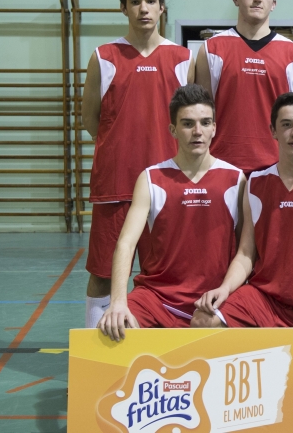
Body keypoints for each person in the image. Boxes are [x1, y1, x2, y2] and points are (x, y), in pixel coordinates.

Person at [81, 0, 194, 328]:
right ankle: (95, 350)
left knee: (168, 275)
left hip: (167, 188)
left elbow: (192, 122)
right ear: (123, 8)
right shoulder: (103, 57)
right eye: (135, 2)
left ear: (161, 7)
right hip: (116, 186)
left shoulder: (183, 59)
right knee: (103, 274)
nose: (143, 8)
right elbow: (91, 120)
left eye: (150, 1)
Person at [190, 93, 293, 328]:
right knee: (203, 321)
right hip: (263, 299)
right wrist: (225, 288)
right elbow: (246, 253)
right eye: (286, 125)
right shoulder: (256, 183)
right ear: (273, 131)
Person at [97, 84, 243, 341]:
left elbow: (246, 251)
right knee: (114, 328)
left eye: (204, 123)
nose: (197, 131)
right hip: (157, 297)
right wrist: (118, 302)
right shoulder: (151, 178)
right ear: (173, 130)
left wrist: (227, 289)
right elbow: (126, 244)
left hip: (215, 298)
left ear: (214, 128)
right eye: (187, 124)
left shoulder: (236, 179)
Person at [195, 0, 293, 174]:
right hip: (220, 165)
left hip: (277, 167)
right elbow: (201, 114)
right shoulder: (211, 49)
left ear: (273, 3)